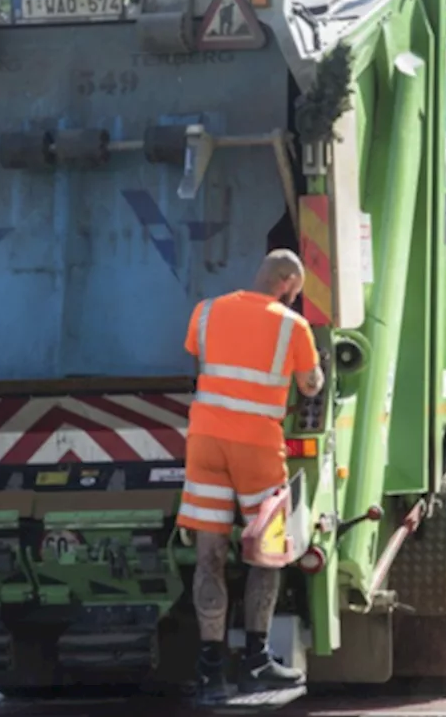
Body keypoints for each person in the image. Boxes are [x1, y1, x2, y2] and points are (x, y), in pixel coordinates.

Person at [176, 249, 325, 704]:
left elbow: (201, 362)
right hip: (258, 450)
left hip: (205, 445)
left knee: (209, 555)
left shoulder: (206, 312)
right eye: (295, 290)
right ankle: (257, 660)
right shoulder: (292, 325)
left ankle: (209, 669)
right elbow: (310, 385)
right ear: (287, 281)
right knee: (266, 552)